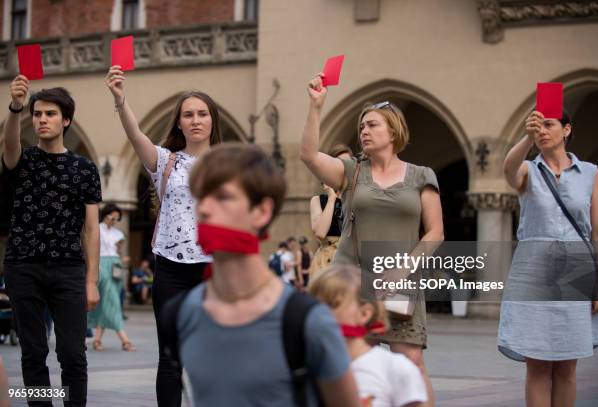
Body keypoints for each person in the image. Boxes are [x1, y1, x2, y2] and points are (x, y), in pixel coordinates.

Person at [173, 142, 361, 406]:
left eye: (222, 197)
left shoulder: (308, 322)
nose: (203, 209)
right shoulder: (186, 313)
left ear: (262, 212)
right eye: (200, 197)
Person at [300, 74, 444, 407]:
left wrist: (402, 270)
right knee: (349, 364)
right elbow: (309, 155)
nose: (363, 130)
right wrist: (315, 106)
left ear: (392, 131)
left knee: (411, 363)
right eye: (361, 126)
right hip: (353, 280)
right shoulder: (352, 172)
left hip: (400, 281)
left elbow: (435, 232)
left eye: (372, 125)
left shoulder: (422, 175)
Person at [106, 66, 221, 406]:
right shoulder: (166, 161)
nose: (196, 120)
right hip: (170, 270)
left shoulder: (230, 164)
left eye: (202, 114)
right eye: (188, 115)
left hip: (214, 271)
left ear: (213, 120)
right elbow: (135, 136)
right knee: (170, 359)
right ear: (180, 123)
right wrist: (121, 101)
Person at [498, 109, 598, 406]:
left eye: (549, 125)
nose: (543, 131)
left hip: (577, 271)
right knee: (536, 365)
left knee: (566, 367)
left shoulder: (590, 173)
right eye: (539, 126)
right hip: (532, 271)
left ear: (567, 129)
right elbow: (508, 170)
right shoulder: (527, 170)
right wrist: (527, 137)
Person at [2, 76, 101, 407]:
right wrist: (16, 106)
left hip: (68, 268)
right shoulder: (23, 160)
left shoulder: (84, 169)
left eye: (50, 114)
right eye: (38, 114)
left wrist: (91, 281)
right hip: (23, 266)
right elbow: (10, 144)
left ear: (66, 120)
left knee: (73, 353)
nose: (42, 119)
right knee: (33, 352)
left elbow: (91, 229)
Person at [310, 265, 427, 407]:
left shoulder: (395, 368)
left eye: (332, 304)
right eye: (314, 304)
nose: (318, 313)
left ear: (365, 314)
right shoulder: (304, 362)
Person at [87, 203, 135, 351]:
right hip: (101, 265)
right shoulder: (97, 229)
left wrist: (122, 260)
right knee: (112, 301)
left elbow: (118, 252)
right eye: (111, 217)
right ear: (105, 215)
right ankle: (124, 339)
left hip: (115, 266)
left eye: (116, 218)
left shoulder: (117, 234)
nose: (113, 220)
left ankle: (97, 340)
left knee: (107, 302)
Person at [309, 144, 353, 282]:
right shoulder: (318, 201)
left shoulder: (359, 198)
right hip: (326, 264)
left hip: (352, 262)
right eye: (340, 163)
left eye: (349, 163)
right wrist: (332, 197)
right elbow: (320, 232)